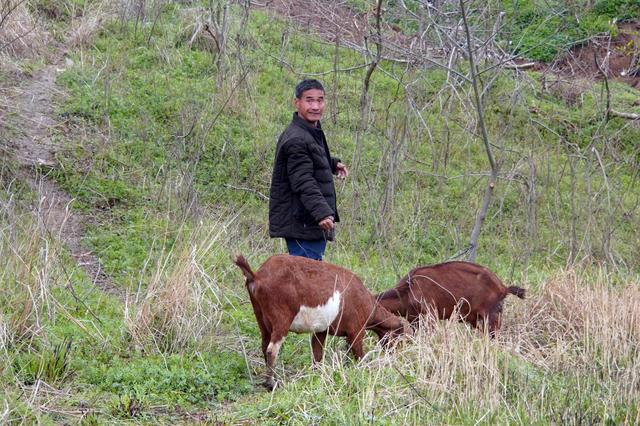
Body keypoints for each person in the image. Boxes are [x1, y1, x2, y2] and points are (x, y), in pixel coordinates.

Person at [268, 79, 348, 261]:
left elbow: (310, 159)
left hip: (307, 221)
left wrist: (332, 164)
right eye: (309, 100)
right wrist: (321, 213)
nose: (315, 106)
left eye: (320, 100)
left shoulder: (310, 130)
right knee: (307, 283)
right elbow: (303, 181)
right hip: (303, 223)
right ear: (297, 103)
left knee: (308, 279)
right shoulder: (297, 138)